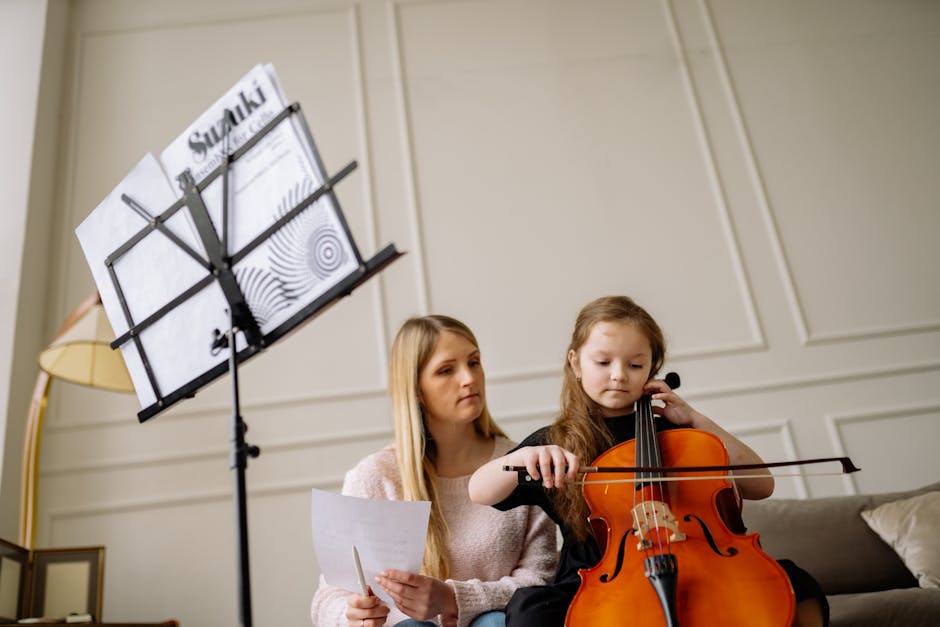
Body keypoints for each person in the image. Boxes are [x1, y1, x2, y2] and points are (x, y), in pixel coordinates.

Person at [468, 296, 829, 627]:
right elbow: (479, 491)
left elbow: (761, 484)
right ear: (575, 362)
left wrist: (696, 420)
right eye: (603, 361)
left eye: (636, 363)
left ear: (652, 368)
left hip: (695, 562)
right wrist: (522, 458)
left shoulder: (680, 435)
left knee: (794, 582)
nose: (619, 374)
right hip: (596, 578)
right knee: (531, 613)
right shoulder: (557, 443)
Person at [311, 315, 557, 627]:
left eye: (474, 362)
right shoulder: (375, 476)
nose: (469, 378)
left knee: (494, 622)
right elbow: (328, 596)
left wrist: (453, 598)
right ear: (415, 390)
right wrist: (352, 616)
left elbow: (542, 579)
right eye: (446, 370)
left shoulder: (520, 465)